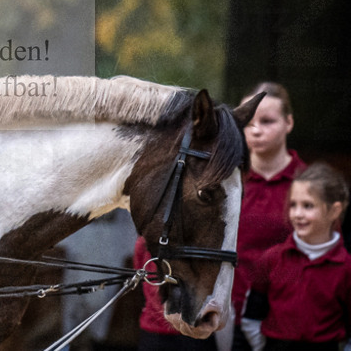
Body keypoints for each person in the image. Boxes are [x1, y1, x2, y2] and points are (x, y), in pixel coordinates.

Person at [240, 162, 351, 351]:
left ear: (335, 210)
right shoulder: (272, 259)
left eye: (308, 206)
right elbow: (251, 315)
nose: (297, 214)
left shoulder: (346, 267)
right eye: (293, 205)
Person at [230, 82, 307, 351]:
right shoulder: (226, 182)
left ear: (289, 122)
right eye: (248, 121)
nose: (256, 129)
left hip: (291, 321)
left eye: (267, 121)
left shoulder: (308, 184)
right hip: (231, 317)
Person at [134, 235, 218, 350]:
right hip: (163, 331)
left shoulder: (145, 240)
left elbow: (140, 280)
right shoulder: (145, 240)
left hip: (187, 331)